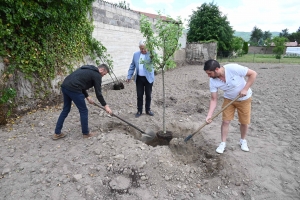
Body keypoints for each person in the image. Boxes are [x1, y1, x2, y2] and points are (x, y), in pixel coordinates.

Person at [203, 59, 257, 154]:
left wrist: (245, 89)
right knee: (225, 121)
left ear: (216, 69)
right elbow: (213, 99)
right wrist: (209, 115)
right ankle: (223, 143)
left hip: (244, 99)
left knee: (244, 122)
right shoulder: (212, 81)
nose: (208, 76)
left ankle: (243, 140)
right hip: (229, 100)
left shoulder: (233, 68)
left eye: (209, 73)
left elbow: (253, 74)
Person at [52, 64, 112, 140]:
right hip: (74, 89)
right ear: (102, 70)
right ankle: (86, 133)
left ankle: (57, 133)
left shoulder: (86, 68)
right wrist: (106, 106)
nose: (103, 76)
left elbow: (80, 83)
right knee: (83, 110)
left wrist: (87, 97)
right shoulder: (97, 75)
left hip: (65, 86)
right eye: (104, 74)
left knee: (66, 109)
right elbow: (98, 93)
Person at [126, 39, 155, 118]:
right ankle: (139, 110)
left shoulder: (152, 53)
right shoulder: (136, 54)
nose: (143, 50)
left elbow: (155, 61)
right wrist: (129, 76)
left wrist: (151, 51)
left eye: (144, 48)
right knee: (139, 95)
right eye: (141, 48)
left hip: (148, 78)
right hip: (139, 79)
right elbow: (132, 66)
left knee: (148, 95)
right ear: (139, 48)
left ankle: (148, 110)